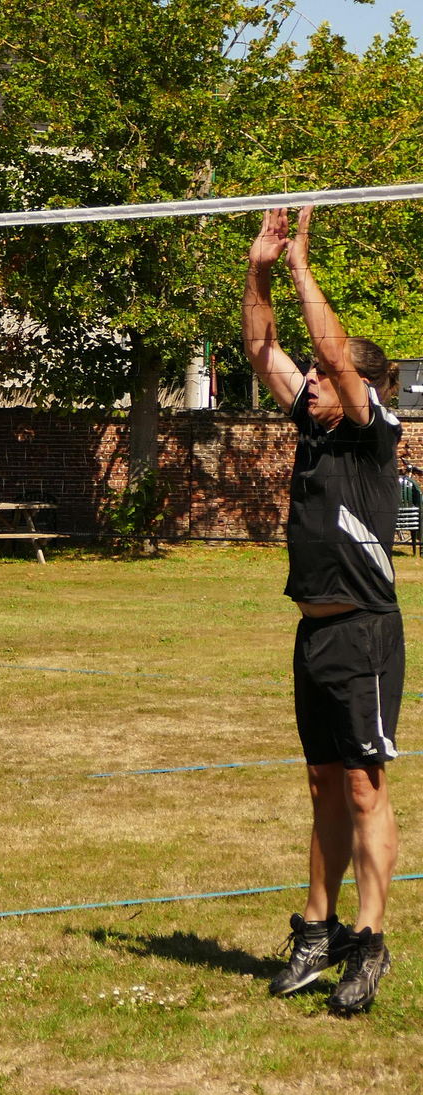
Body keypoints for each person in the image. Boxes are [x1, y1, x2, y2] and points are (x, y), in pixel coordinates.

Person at [242, 206, 404, 1015]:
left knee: (366, 788)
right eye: (308, 375)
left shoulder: (374, 433)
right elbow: (259, 348)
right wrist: (260, 267)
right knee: (322, 785)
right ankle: (318, 927)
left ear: (357, 388)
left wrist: (304, 266)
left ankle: (370, 944)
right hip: (313, 634)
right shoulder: (313, 426)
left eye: (322, 375)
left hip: (365, 632)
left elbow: (335, 353)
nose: (309, 379)